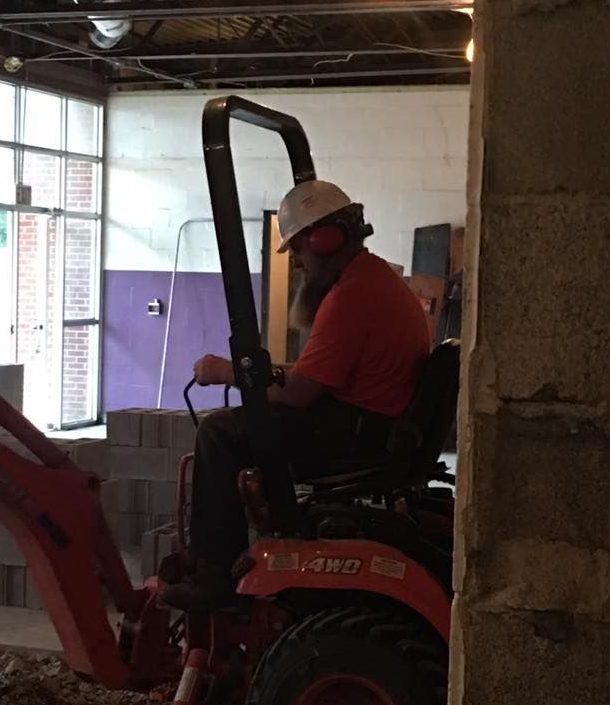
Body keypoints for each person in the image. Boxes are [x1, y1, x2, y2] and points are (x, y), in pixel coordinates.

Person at [160, 180, 430, 610]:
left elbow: (301, 392)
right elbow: (312, 375)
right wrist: (269, 377)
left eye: (300, 251)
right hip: (378, 422)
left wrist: (229, 373)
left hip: (358, 431)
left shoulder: (351, 297)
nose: (300, 264)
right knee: (251, 418)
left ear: (324, 240)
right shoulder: (374, 278)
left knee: (220, 432)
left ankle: (214, 580)